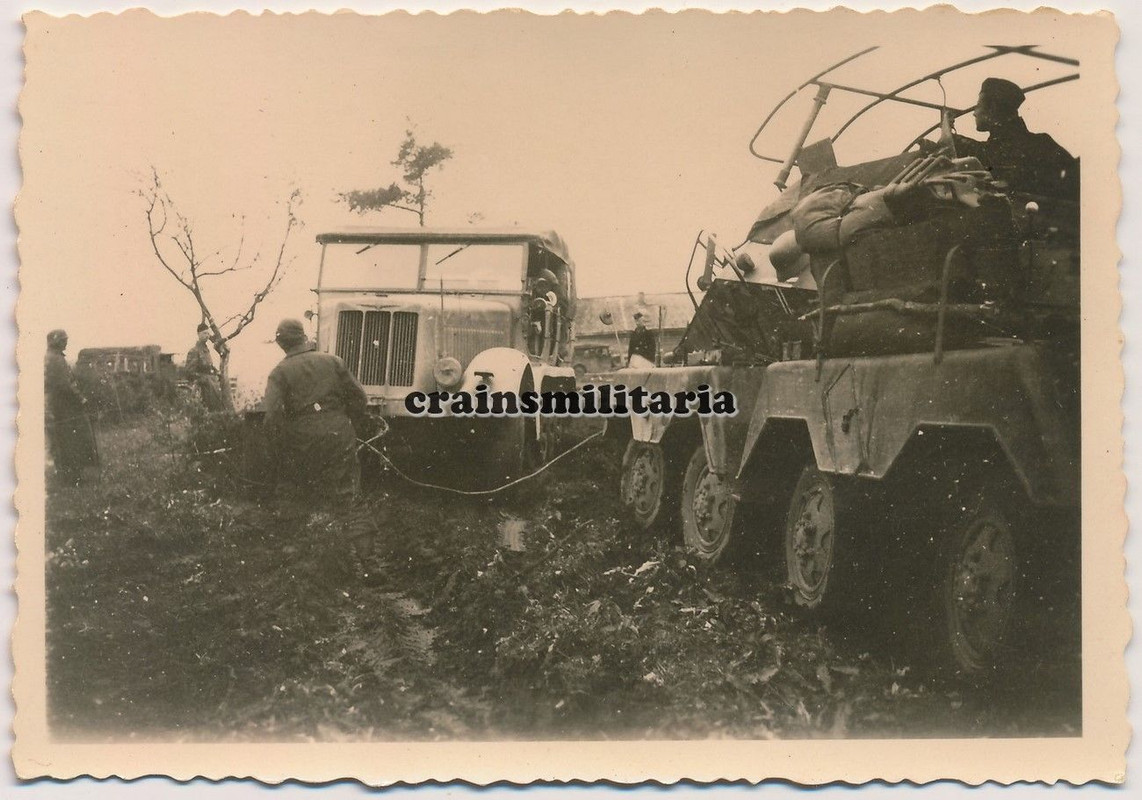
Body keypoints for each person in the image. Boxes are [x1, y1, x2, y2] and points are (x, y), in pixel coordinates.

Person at [262, 318, 378, 581]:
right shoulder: (332, 361)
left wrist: (282, 447)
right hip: (339, 434)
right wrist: (347, 423)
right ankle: (370, 566)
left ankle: (306, 570)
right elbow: (359, 398)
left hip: (301, 442)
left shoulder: (279, 373)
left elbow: (271, 418)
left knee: (299, 497)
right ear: (304, 337)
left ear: (281, 343)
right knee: (349, 498)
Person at [949, 77, 1077, 200]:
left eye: (978, 105)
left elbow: (984, 152)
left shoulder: (994, 151)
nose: (974, 113)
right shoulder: (1042, 142)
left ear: (992, 108)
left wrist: (949, 134)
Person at [44, 329, 98, 486]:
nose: (66, 342)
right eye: (63, 340)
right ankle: (72, 476)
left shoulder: (55, 358)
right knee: (71, 441)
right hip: (65, 408)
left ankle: (71, 474)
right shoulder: (55, 360)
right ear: (57, 342)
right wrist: (82, 399)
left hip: (62, 407)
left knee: (67, 441)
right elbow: (65, 385)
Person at [185, 322, 223, 412]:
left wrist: (217, 372)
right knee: (208, 410)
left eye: (208, 333)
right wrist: (203, 379)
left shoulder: (206, 350)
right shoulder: (194, 351)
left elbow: (209, 366)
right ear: (198, 334)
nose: (207, 335)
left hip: (212, 385)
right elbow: (189, 372)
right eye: (204, 333)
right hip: (203, 388)